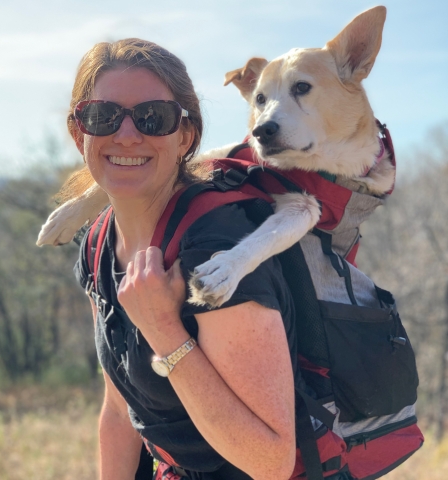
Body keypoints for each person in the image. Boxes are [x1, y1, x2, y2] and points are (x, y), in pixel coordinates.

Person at [66, 38, 297, 480]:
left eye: (154, 118)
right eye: (103, 116)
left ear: (185, 136)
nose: (128, 134)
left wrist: (163, 330)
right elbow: (119, 411)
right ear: (80, 132)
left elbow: (272, 462)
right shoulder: (97, 244)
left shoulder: (217, 246)